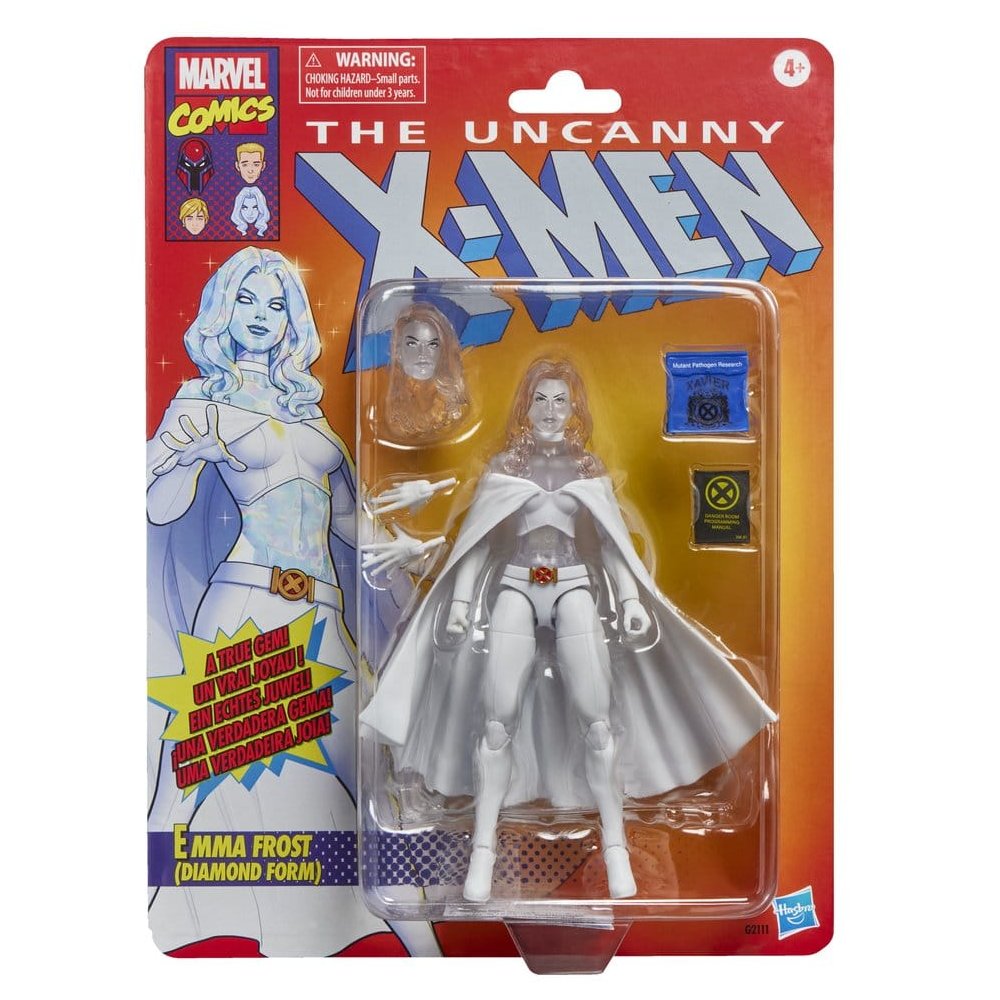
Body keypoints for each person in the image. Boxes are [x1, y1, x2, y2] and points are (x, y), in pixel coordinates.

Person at [360, 357, 777, 902]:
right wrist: (460, 603)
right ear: (526, 407)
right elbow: (477, 542)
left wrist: (630, 600)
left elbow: (610, 541)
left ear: (574, 407)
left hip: (574, 583)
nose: (551, 410)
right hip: (516, 585)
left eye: (560, 400)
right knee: (496, 721)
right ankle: (482, 850)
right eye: (541, 399)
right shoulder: (505, 467)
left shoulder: (587, 469)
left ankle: (616, 846)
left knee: (598, 721)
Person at [147, 246, 434, 956]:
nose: (261, 316)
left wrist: (410, 557)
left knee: (377, 771)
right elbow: (157, 505)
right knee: (185, 775)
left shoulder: (309, 413)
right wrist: (183, 456)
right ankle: (145, 913)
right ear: (222, 310)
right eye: (246, 300)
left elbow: (347, 521)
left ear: (292, 320)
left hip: (321, 609)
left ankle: (429, 949)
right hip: (245, 604)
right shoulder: (201, 402)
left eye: (276, 304)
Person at [384, 302, 468, 440]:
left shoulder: (453, 406)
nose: (423, 353)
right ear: (397, 351)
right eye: (412, 343)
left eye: (432, 344)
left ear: (442, 351)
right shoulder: (393, 405)